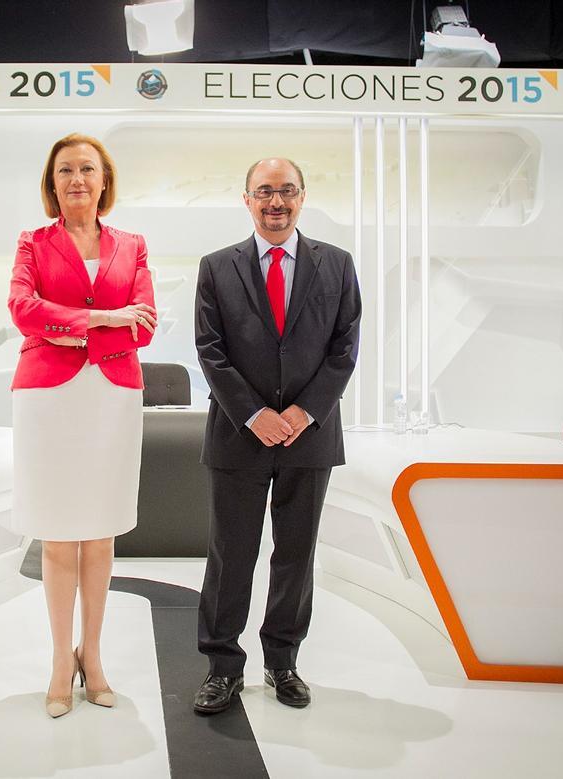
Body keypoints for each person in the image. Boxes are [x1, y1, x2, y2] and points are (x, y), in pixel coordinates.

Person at [192, 157, 361, 714]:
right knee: (230, 554)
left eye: (287, 190)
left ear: (303, 197)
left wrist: (305, 412)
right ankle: (222, 668)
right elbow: (211, 350)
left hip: (308, 438)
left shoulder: (337, 265)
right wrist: (254, 414)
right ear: (246, 200)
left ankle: (282, 661)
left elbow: (344, 348)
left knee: (295, 555)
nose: (276, 201)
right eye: (264, 191)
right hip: (240, 437)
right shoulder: (217, 267)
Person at [7, 133, 158, 718]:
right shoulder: (33, 242)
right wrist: (102, 317)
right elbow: (23, 309)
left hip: (112, 397)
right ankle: (56, 661)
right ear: (52, 183)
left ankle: (91, 657)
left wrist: (65, 324)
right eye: (65, 170)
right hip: (49, 398)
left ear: (104, 180)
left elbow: (143, 326)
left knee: (100, 532)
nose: (76, 178)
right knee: (57, 533)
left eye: (87, 169)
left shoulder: (133, 245)